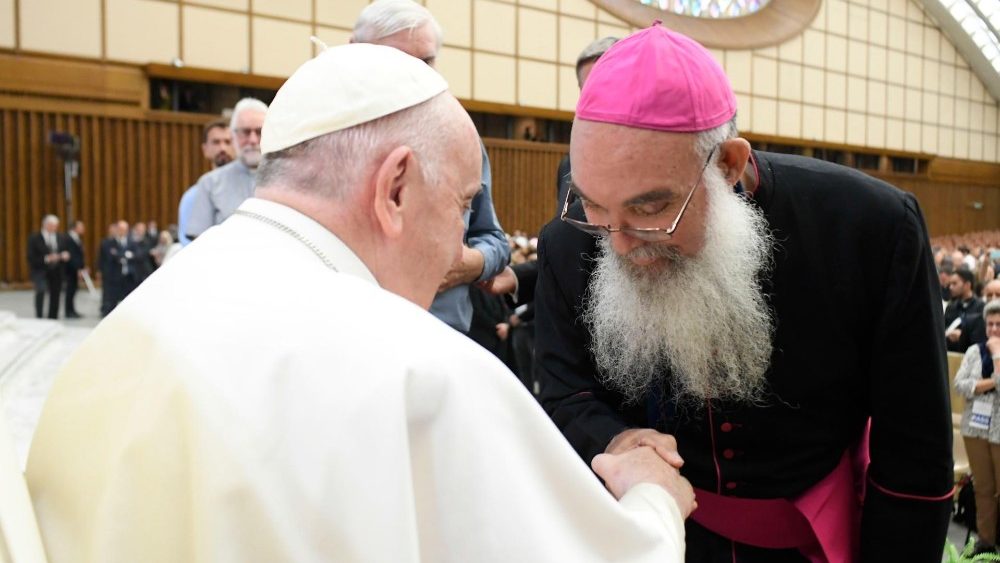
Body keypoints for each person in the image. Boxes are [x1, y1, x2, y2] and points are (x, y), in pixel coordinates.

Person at [27, 43, 694, 563]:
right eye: (462, 206)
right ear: (395, 187)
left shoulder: (149, 303)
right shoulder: (417, 369)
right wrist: (653, 501)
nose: (460, 250)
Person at [534, 23, 952, 562]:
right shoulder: (569, 242)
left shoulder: (870, 227)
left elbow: (914, 461)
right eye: (593, 205)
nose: (617, 244)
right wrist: (615, 441)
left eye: (649, 209)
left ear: (727, 164)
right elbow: (566, 392)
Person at [352, 0, 510, 334]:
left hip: (445, 336)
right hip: (352, 334)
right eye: (397, 60)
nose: (416, 76)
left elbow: (493, 239)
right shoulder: (318, 137)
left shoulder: (461, 138)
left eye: (426, 62)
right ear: (353, 51)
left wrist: (470, 264)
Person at [954, 300, 1000, 555]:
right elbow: (960, 385)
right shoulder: (974, 351)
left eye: (999, 325)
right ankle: (986, 542)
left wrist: (997, 356)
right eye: (990, 324)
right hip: (975, 429)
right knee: (983, 489)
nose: (993, 329)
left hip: (999, 433)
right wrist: (989, 383)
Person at [185, 99, 268, 240]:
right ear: (233, 136)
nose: (253, 140)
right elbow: (198, 243)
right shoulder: (210, 184)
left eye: (260, 132)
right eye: (245, 132)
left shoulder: (290, 179)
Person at [178, 118, 234, 245]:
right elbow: (188, 245)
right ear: (205, 149)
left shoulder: (255, 189)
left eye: (228, 142)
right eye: (216, 142)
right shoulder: (193, 197)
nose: (223, 148)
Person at [26, 215, 69, 319]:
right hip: (40, 270)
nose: (54, 228)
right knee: (41, 291)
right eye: (52, 225)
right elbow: (31, 257)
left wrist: (65, 255)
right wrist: (47, 258)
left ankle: (53, 317)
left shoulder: (61, 237)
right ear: (45, 225)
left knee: (56, 294)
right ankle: (39, 316)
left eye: (56, 226)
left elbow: (65, 250)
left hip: (56, 270)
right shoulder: (34, 238)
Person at [98, 220, 138, 317]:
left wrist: (120, 255)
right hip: (114, 276)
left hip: (128, 276)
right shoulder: (108, 243)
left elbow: (138, 255)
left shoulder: (132, 242)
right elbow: (108, 257)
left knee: (128, 300)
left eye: (124, 229)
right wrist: (126, 255)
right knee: (112, 300)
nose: (122, 231)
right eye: (120, 229)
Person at [946, 268, 987, 353]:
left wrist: (963, 335)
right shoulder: (951, 307)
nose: (951, 287)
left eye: (954, 283)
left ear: (967, 285)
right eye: (950, 284)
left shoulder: (981, 307)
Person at [63, 220, 86, 318]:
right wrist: (77, 269)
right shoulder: (68, 238)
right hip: (70, 270)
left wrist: (82, 267)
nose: (83, 229)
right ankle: (68, 311)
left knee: (73, 290)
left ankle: (72, 310)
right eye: (81, 227)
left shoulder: (76, 238)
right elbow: (72, 256)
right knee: (70, 290)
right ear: (75, 228)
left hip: (75, 269)